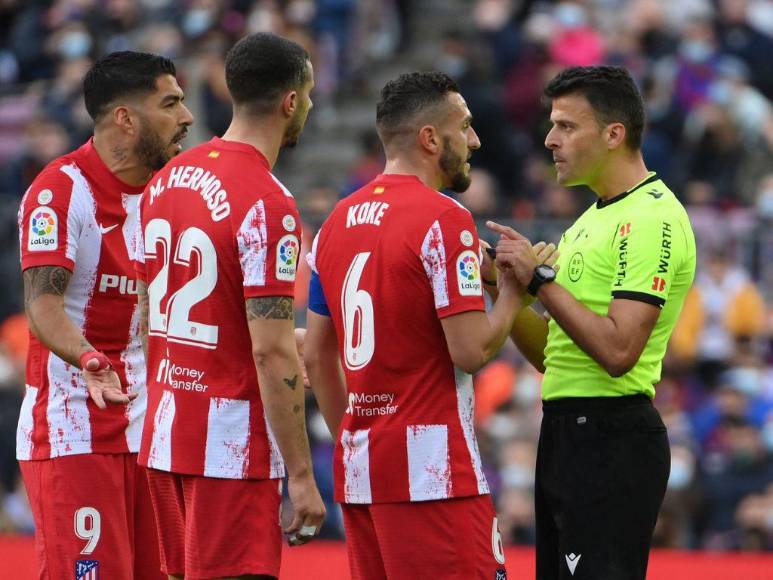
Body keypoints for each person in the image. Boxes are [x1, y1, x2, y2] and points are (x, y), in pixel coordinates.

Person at [303, 71, 555, 579]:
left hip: (362, 475)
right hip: (434, 478)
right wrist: (510, 291)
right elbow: (470, 350)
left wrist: (353, 441)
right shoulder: (445, 219)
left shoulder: (335, 221)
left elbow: (315, 355)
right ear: (430, 138)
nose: (476, 140)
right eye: (465, 126)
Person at [488, 65, 697, 580]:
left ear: (613, 133)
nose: (549, 139)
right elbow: (553, 354)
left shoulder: (652, 218)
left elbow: (618, 351)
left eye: (566, 126)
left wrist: (539, 280)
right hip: (565, 431)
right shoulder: (589, 219)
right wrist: (505, 289)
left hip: (613, 437)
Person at [133, 32, 325, 580]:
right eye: (308, 97)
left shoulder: (167, 179)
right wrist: (302, 476)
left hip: (166, 432)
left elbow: (153, 312)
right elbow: (268, 352)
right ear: (291, 101)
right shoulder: (268, 201)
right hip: (228, 451)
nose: (309, 107)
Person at [16, 50, 192, 579]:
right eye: (171, 103)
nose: (186, 117)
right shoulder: (60, 191)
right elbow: (42, 306)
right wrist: (90, 358)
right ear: (126, 118)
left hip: (151, 434)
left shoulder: (174, 194)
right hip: (74, 430)